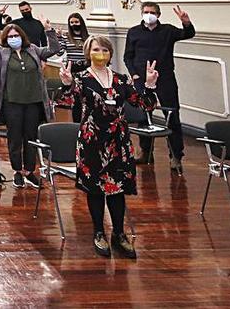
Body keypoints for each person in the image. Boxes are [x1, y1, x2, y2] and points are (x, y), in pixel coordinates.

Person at [58, 36, 158, 259]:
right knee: (95, 189)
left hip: (118, 140)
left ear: (110, 53)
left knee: (117, 188)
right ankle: (98, 232)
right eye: (95, 49)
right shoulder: (81, 79)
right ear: (88, 53)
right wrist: (66, 84)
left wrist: (150, 84)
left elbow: (144, 104)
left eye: (104, 49)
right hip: (92, 140)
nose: (100, 53)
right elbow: (65, 102)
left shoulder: (121, 80)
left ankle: (119, 234)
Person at [0, 20, 61, 188]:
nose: (14, 39)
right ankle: (17, 170)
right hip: (11, 102)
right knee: (15, 138)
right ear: (5, 39)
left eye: (16, 36)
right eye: (10, 37)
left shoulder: (33, 50)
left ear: (22, 37)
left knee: (31, 137)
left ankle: (30, 171)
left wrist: (49, 31)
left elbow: (54, 50)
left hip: (33, 102)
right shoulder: (1, 52)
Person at [122, 2, 195, 172]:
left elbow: (188, 33)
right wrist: (134, 74)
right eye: (146, 12)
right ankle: (146, 152)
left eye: (152, 12)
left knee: (172, 116)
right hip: (141, 80)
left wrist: (186, 22)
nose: (149, 14)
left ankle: (176, 155)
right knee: (143, 117)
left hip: (165, 79)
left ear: (158, 15)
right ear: (141, 13)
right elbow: (128, 56)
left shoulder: (168, 30)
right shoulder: (133, 32)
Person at [56, 13, 90, 124]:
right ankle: (76, 123)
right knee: (75, 99)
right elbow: (60, 52)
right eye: (71, 22)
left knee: (87, 97)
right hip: (72, 69)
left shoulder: (88, 38)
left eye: (76, 22)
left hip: (85, 67)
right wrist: (59, 38)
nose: (74, 24)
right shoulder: (66, 37)